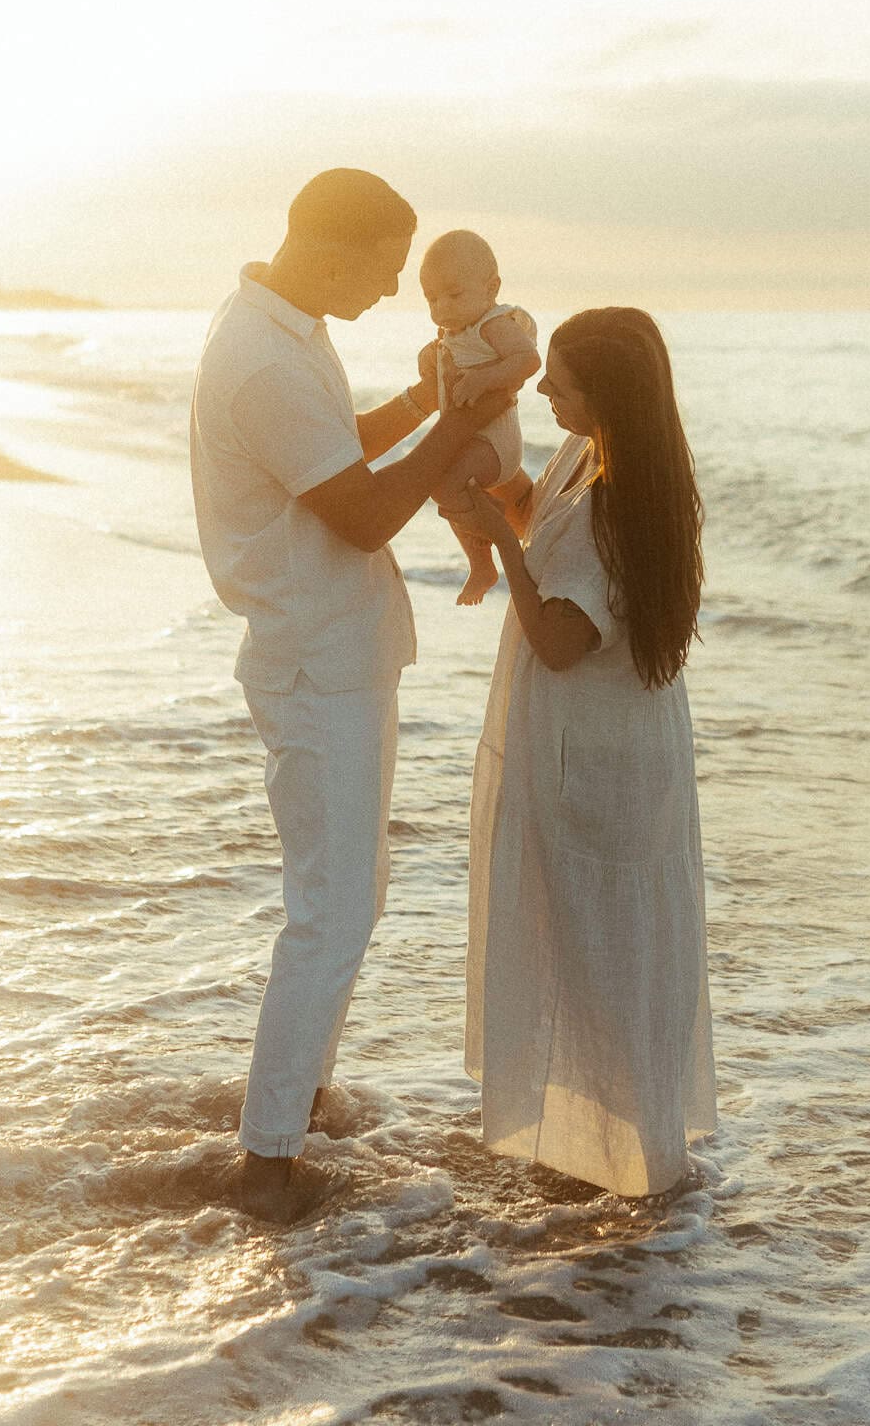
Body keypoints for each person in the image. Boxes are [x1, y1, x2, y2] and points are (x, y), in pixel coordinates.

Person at [190, 169, 510, 1222]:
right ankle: (269, 1158)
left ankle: (303, 1101)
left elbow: (333, 454)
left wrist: (423, 403)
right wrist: (460, 427)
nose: (388, 295)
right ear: (330, 255)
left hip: (338, 650)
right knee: (328, 914)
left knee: (350, 899)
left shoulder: (288, 328)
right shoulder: (261, 359)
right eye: (380, 272)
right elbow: (364, 514)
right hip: (315, 657)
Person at [463, 307, 716, 1197]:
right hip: (604, 746)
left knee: (607, 958)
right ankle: (598, 1156)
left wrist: (500, 548)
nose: (540, 391)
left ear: (602, 394)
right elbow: (548, 519)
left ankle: (642, 1171)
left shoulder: (621, 499)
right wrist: (501, 497)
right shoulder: (596, 461)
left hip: (600, 766)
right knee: (591, 948)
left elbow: (562, 638)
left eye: (558, 384)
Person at [415, 230, 540, 607]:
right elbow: (447, 363)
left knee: (444, 489)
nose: (442, 308)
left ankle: (495, 528)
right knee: (444, 486)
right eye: (432, 298)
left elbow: (528, 359)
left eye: (454, 295)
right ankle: (481, 564)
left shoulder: (495, 323)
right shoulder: (456, 331)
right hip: (471, 438)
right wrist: (429, 357)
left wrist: (486, 377)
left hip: (495, 442)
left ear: (491, 288)